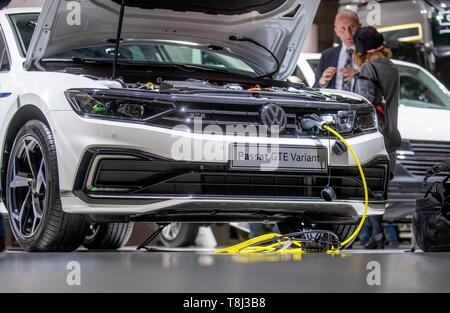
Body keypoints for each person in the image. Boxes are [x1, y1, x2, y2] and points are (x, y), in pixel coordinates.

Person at [353, 26, 402, 249]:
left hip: (372, 134)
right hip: (391, 134)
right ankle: (378, 234)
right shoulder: (392, 68)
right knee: (380, 186)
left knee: (368, 185)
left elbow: (364, 102)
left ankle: (375, 235)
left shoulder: (368, 68)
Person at [314, 10, 361, 90]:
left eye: (352, 27)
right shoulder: (327, 55)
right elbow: (315, 88)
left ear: (359, 27)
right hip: (334, 102)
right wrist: (322, 82)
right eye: (343, 28)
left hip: (361, 101)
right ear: (336, 32)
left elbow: (380, 81)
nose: (348, 33)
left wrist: (357, 74)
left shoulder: (368, 53)